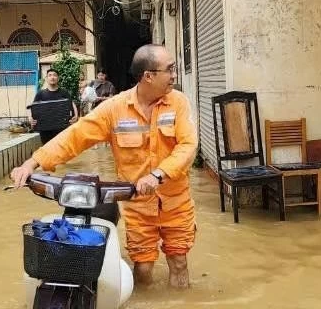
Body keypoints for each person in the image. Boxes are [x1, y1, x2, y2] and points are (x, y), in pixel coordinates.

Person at [11, 45, 198, 289]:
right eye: (170, 69)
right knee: (142, 267)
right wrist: (32, 162)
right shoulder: (114, 109)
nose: (174, 75)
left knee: (179, 260)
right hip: (138, 203)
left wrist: (157, 175)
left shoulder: (179, 103)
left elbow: (187, 146)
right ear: (148, 76)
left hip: (176, 200)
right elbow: (76, 137)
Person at [27, 67, 79, 146]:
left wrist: (76, 116)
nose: (52, 77)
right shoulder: (41, 94)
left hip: (62, 129)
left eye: (55, 75)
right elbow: (32, 107)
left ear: (58, 78)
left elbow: (71, 103)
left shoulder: (64, 92)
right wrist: (30, 118)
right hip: (45, 130)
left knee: (62, 150)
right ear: (47, 78)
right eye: (50, 75)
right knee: (47, 151)